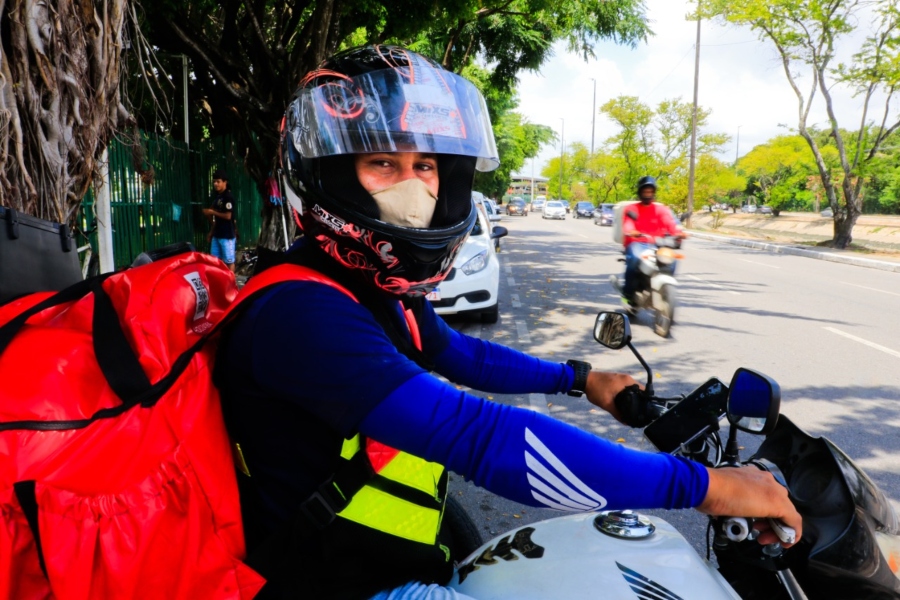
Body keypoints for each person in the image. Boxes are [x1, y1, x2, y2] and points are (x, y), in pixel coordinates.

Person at [214, 46, 800, 600]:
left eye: (426, 165)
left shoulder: (371, 290)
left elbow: (461, 355)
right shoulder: (299, 312)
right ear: (329, 176)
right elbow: (481, 438)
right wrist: (706, 488)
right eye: (383, 164)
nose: (416, 187)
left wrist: (578, 378)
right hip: (342, 586)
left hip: (386, 553)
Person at [620, 176, 686, 310]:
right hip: (638, 243)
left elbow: (669, 223)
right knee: (634, 259)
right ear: (640, 193)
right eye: (645, 192)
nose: (648, 194)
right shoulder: (632, 208)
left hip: (657, 244)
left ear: (654, 193)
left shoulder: (661, 210)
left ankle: (662, 288)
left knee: (672, 260)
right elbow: (627, 224)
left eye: (650, 192)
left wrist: (678, 233)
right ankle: (628, 292)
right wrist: (631, 230)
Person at [203, 169, 238, 273]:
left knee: (229, 262)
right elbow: (214, 216)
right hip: (217, 235)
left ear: (225, 182)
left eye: (218, 181)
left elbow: (228, 216)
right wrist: (211, 232)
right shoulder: (218, 197)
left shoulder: (228, 197)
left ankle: (231, 285)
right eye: (214, 182)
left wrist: (212, 213)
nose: (215, 184)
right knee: (214, 261)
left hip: (227, 236)